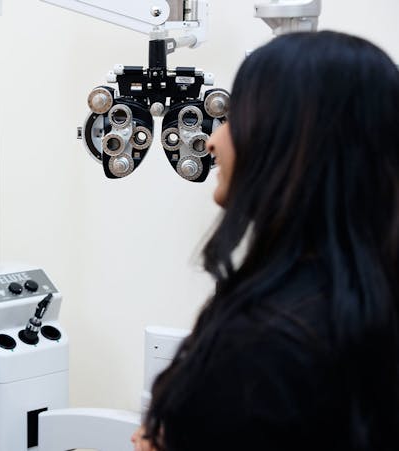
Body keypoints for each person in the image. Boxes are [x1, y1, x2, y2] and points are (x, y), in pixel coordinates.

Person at [132, 31, 399, 451]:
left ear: (293, 142)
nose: (212, 140)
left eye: (235, 116)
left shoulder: (263, 345)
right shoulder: (367, 301)